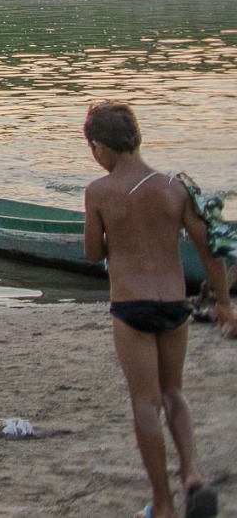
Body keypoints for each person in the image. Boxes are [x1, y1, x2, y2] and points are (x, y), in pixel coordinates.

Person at [82, 100, 235, 518]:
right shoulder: (175, 186)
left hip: (131, 307)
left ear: (100, 147)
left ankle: (163, 505)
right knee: (174, 393)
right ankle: (192, 475)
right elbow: (209, 250)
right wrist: (223, 302)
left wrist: (119, 238)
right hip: (173, 305)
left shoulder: (98, 191)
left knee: (145, 403)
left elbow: (94, 253)